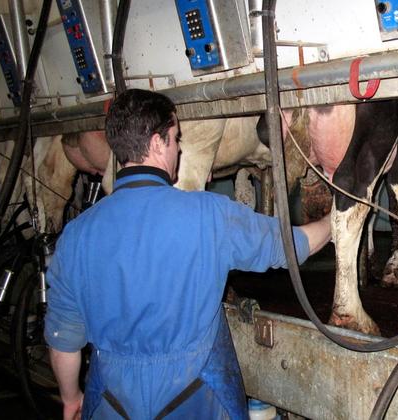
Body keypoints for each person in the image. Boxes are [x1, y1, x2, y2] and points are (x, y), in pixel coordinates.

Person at [45, 89, 331, 420]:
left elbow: (63, 339)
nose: (179, 148)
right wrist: (334, 220)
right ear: (156, 144)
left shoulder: (77, 236)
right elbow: (292, 246)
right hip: (196, 398)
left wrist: (70, 396)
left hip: (112, 401)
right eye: (175, 138)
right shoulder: (208, 215)